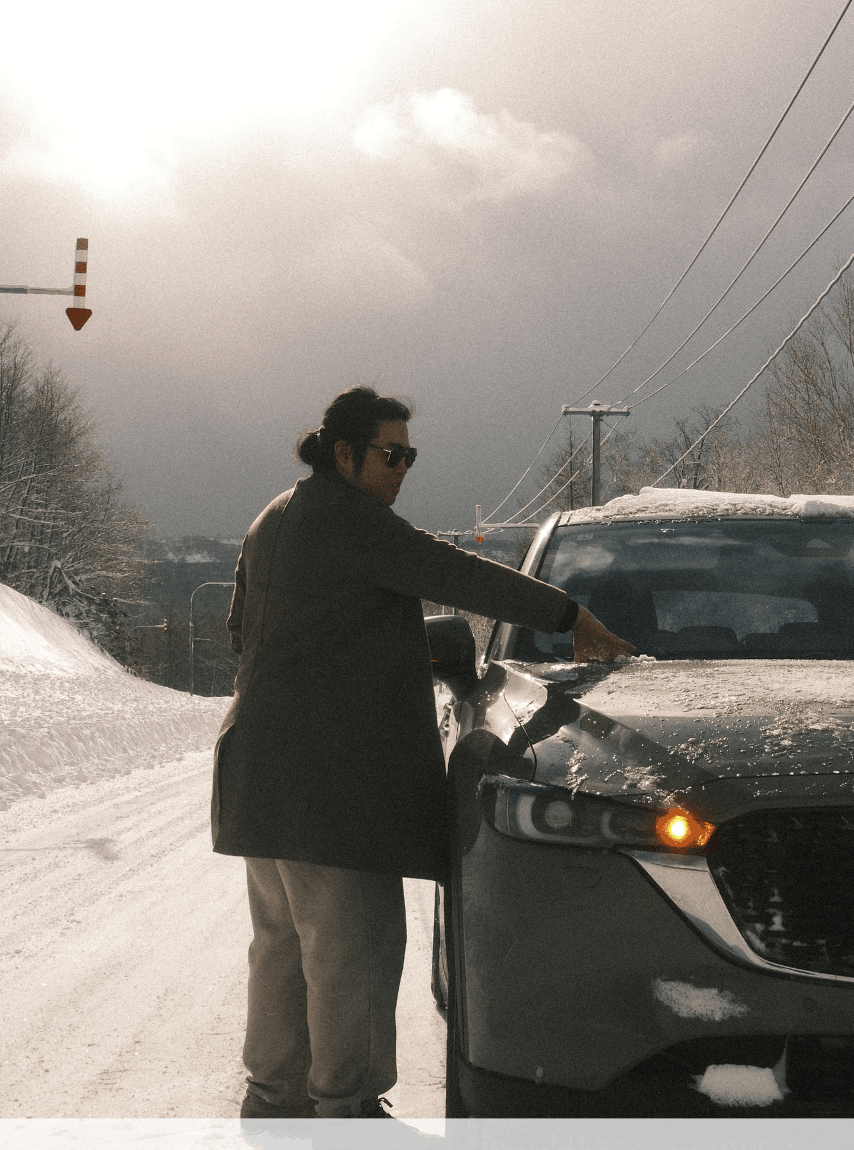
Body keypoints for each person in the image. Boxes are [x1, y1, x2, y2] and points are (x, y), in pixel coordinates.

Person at [212, 385, 633, 1119]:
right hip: (329, 787)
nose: (402, 468)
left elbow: (238, 631)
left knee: (281, 944)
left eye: (410, 456)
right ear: (345, 454)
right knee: (354, 949)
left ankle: (273, 1097)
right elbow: (456, 573)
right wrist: (569, 614)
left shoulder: (274, 516)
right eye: (391, 455)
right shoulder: (354, 521)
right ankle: (346, 1107)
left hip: (257, 771)